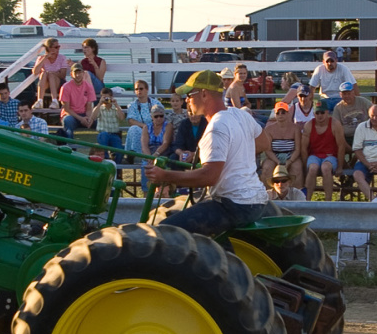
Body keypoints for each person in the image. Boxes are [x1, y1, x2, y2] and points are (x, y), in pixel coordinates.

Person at [145, 71, 268, 236]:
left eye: (189, 94)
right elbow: (264, 143)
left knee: (164, 232)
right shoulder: (239, 114)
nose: (186, 100)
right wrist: (235, 154)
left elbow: (208, 177)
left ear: (204, 94)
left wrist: (164, 175)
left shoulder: (217, 127)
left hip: (234, 205)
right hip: (256, 202)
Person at [302, 99, 347, 201]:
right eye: (317, 113)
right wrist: (305, 166)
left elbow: (341, 145)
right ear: (314, 114)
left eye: (322, 112)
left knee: (326, 168)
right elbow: (303, 148)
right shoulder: (309, 125)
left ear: (327, 112)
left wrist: (340, 166)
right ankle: (306, 200)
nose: (320, 115)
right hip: (314, 155)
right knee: (312, 168)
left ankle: (328, 200)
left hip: (331, 156)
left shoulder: (335, 124)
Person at [261, 101, 303, 188]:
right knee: (266, 168)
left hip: (291, 155)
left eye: (283, 112)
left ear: (288, 114)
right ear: (275, 115)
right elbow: (268, 150)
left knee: (297, 168)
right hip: (274, 156)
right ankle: (268, 195)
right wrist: (277, 161)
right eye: (278, 113)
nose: (281, 115)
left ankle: (295, 196)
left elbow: (297, 149)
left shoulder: (295, 128)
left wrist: (290, 161)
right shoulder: (269, 129)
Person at [123, 80, 160, 162]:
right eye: (136, 89)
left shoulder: (156, 103)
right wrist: (144, 126)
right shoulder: (132, 105)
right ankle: (135, 155)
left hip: (154, 129)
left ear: (147, 89)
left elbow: (161, 118)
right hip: (141, 129)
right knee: (134, 129)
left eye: (141, 88)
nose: (138, 91)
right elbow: (131, 120)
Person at [59, 62, 97, 140]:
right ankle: (70, 147)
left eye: (79, 72)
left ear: (83, 73)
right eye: (75, 73)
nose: (78, 75)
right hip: (71, 115)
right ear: (71, 74)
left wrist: (89, 118)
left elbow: (89, 107)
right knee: (67, 121)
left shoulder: (88, 86)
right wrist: (81, 119)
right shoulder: (66, 87)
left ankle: (105, 149)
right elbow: (67, 109)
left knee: (101, 122)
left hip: (84, 114)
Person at [31, 39, 68, 109]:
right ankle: (40, 101)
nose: (58, 49)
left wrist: (53, 74)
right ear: (49, 48)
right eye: (56, 47)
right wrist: (45, 58)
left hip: (58, 83)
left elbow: (63, 75)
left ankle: (54, 100)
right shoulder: (41, 58)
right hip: (46, 84)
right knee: (44, 73)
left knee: (50, 74)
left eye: (58, 47)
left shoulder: (62, 58)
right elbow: (35, 71)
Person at [331, 81, 369, 148]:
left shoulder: (363, 101)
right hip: (347, 137)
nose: (347, 96)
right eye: (344, 94)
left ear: (353, 92)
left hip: (364, 135)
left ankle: (355, 158)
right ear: (340, 95)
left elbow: (375, 111)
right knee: (338, 143)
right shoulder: (338, 108)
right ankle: (343, 158)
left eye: (349, 93)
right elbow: (336, 126)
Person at [89, 88, 124, 157]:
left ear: (111, 97)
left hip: (115, 134)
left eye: (107, 97)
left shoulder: (116, 107)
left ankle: (117, 165)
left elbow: (122, 118)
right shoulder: (99, 108)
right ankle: (106, 159)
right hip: (103, 134)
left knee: (120, 151)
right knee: (103, 136)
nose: (106, 99)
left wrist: (116, 105)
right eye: (104, 97)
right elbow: (93, 117)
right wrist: (99, 103)